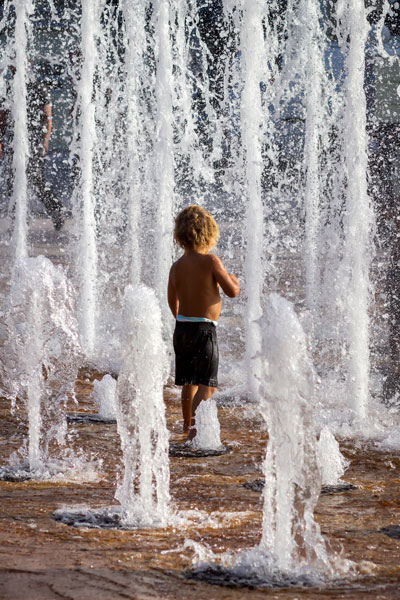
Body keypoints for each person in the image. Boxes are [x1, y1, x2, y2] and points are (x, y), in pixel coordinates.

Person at [167, 205, 240, 440]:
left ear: (180, 237)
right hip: (204, 330)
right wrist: (233, 280)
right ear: (209, 234)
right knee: (206, 385)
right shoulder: (211, 261)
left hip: (181, 328)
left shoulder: (176, 267)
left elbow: (172, 301)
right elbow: (231, 292)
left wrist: (182, 318)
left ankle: (187, 426)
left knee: (189, 382)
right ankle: (195, 436)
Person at [0, 62, 64, 230]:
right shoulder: (9, 89)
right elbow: (3, 117)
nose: (14, 69)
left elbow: (47, 117)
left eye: (17, 66)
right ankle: (18, 221)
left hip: (34, 141)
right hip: (15, 142)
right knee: (12, 181)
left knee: (36, 180)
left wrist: (45, 140)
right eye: (13, 66)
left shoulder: (38, 87)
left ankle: (56, 210)